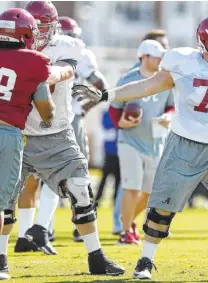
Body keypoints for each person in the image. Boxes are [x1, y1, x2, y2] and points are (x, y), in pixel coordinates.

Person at [73, 15, 208, 280]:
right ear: (205, 42)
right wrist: (107, 94)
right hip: (184, 145)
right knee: (162, 209)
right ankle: (145, 261)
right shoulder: (183, 63)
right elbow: (147, 86)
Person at [4, 1, 124, 277]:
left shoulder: (65, 46)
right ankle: (2, 259)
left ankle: (96, 257)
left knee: (81, 188)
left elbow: (66, 70)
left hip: (56, 133)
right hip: (16, 131)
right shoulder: (12, 47)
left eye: (44, 26)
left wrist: (42, 74)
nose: (39, 33)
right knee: (4, 200)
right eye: (34, 26)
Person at [25, 15, 111, 244]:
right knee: (74, 177)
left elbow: (101, 89)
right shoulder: (75, 51)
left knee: (42, 178)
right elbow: (102, 88)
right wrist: (85, 107)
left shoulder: (40, 49)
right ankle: (51, 227)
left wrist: (84, 107)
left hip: (40, 119)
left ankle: (45, 228)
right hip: (66, 120)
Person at [0, 8, 56, 280]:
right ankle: (0, 261)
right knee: (1, 203)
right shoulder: (34, 60)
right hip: (7, 134)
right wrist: (48, 119)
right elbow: (46, 108)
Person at [108, 39, 174, 245]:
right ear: (144, 56)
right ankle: (125, 231)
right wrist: (123, 123)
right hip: (130, 141)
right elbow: (114, 110)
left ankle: (128, 221)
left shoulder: (166, 79)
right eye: (157, 56)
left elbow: (172, 107)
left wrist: (168, 117)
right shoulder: (128, 79)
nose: (161, 60)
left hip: (156, 141)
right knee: (132, 187)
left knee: (149, 192)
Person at [95, 108, 121, 234]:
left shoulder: (120, 111)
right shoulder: (106, 113)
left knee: (118, 181)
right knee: (104, 179)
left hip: (120, 153)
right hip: (110, 153)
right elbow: (107, 131)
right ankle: (97, 201)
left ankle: (115, 202)